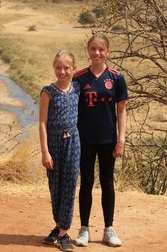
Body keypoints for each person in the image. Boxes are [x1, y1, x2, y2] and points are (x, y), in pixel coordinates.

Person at [73, 33, 129, 248]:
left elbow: (122, 111)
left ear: (108, 51)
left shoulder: (116, 77)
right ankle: (84, 228)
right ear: (88, 51)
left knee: (107, 182)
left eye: (101, 49)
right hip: (85, 139)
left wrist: (121, 139)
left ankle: (109, 229)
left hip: (108, 139)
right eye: (93, 49)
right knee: (86, 182)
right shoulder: (79, 78)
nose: (97, 53)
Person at [39, 50, 81, 252]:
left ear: (73, 68)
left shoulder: (77, 89)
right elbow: (42, 123)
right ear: (53, 68)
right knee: (55, 185)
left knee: (70, 184)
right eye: (58, 67)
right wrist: (45, 152)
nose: (62, 71)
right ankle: (59, 225)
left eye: (66, 68)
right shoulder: (48, 92)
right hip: (54, 143)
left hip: (73, 141)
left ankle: (63, 231)